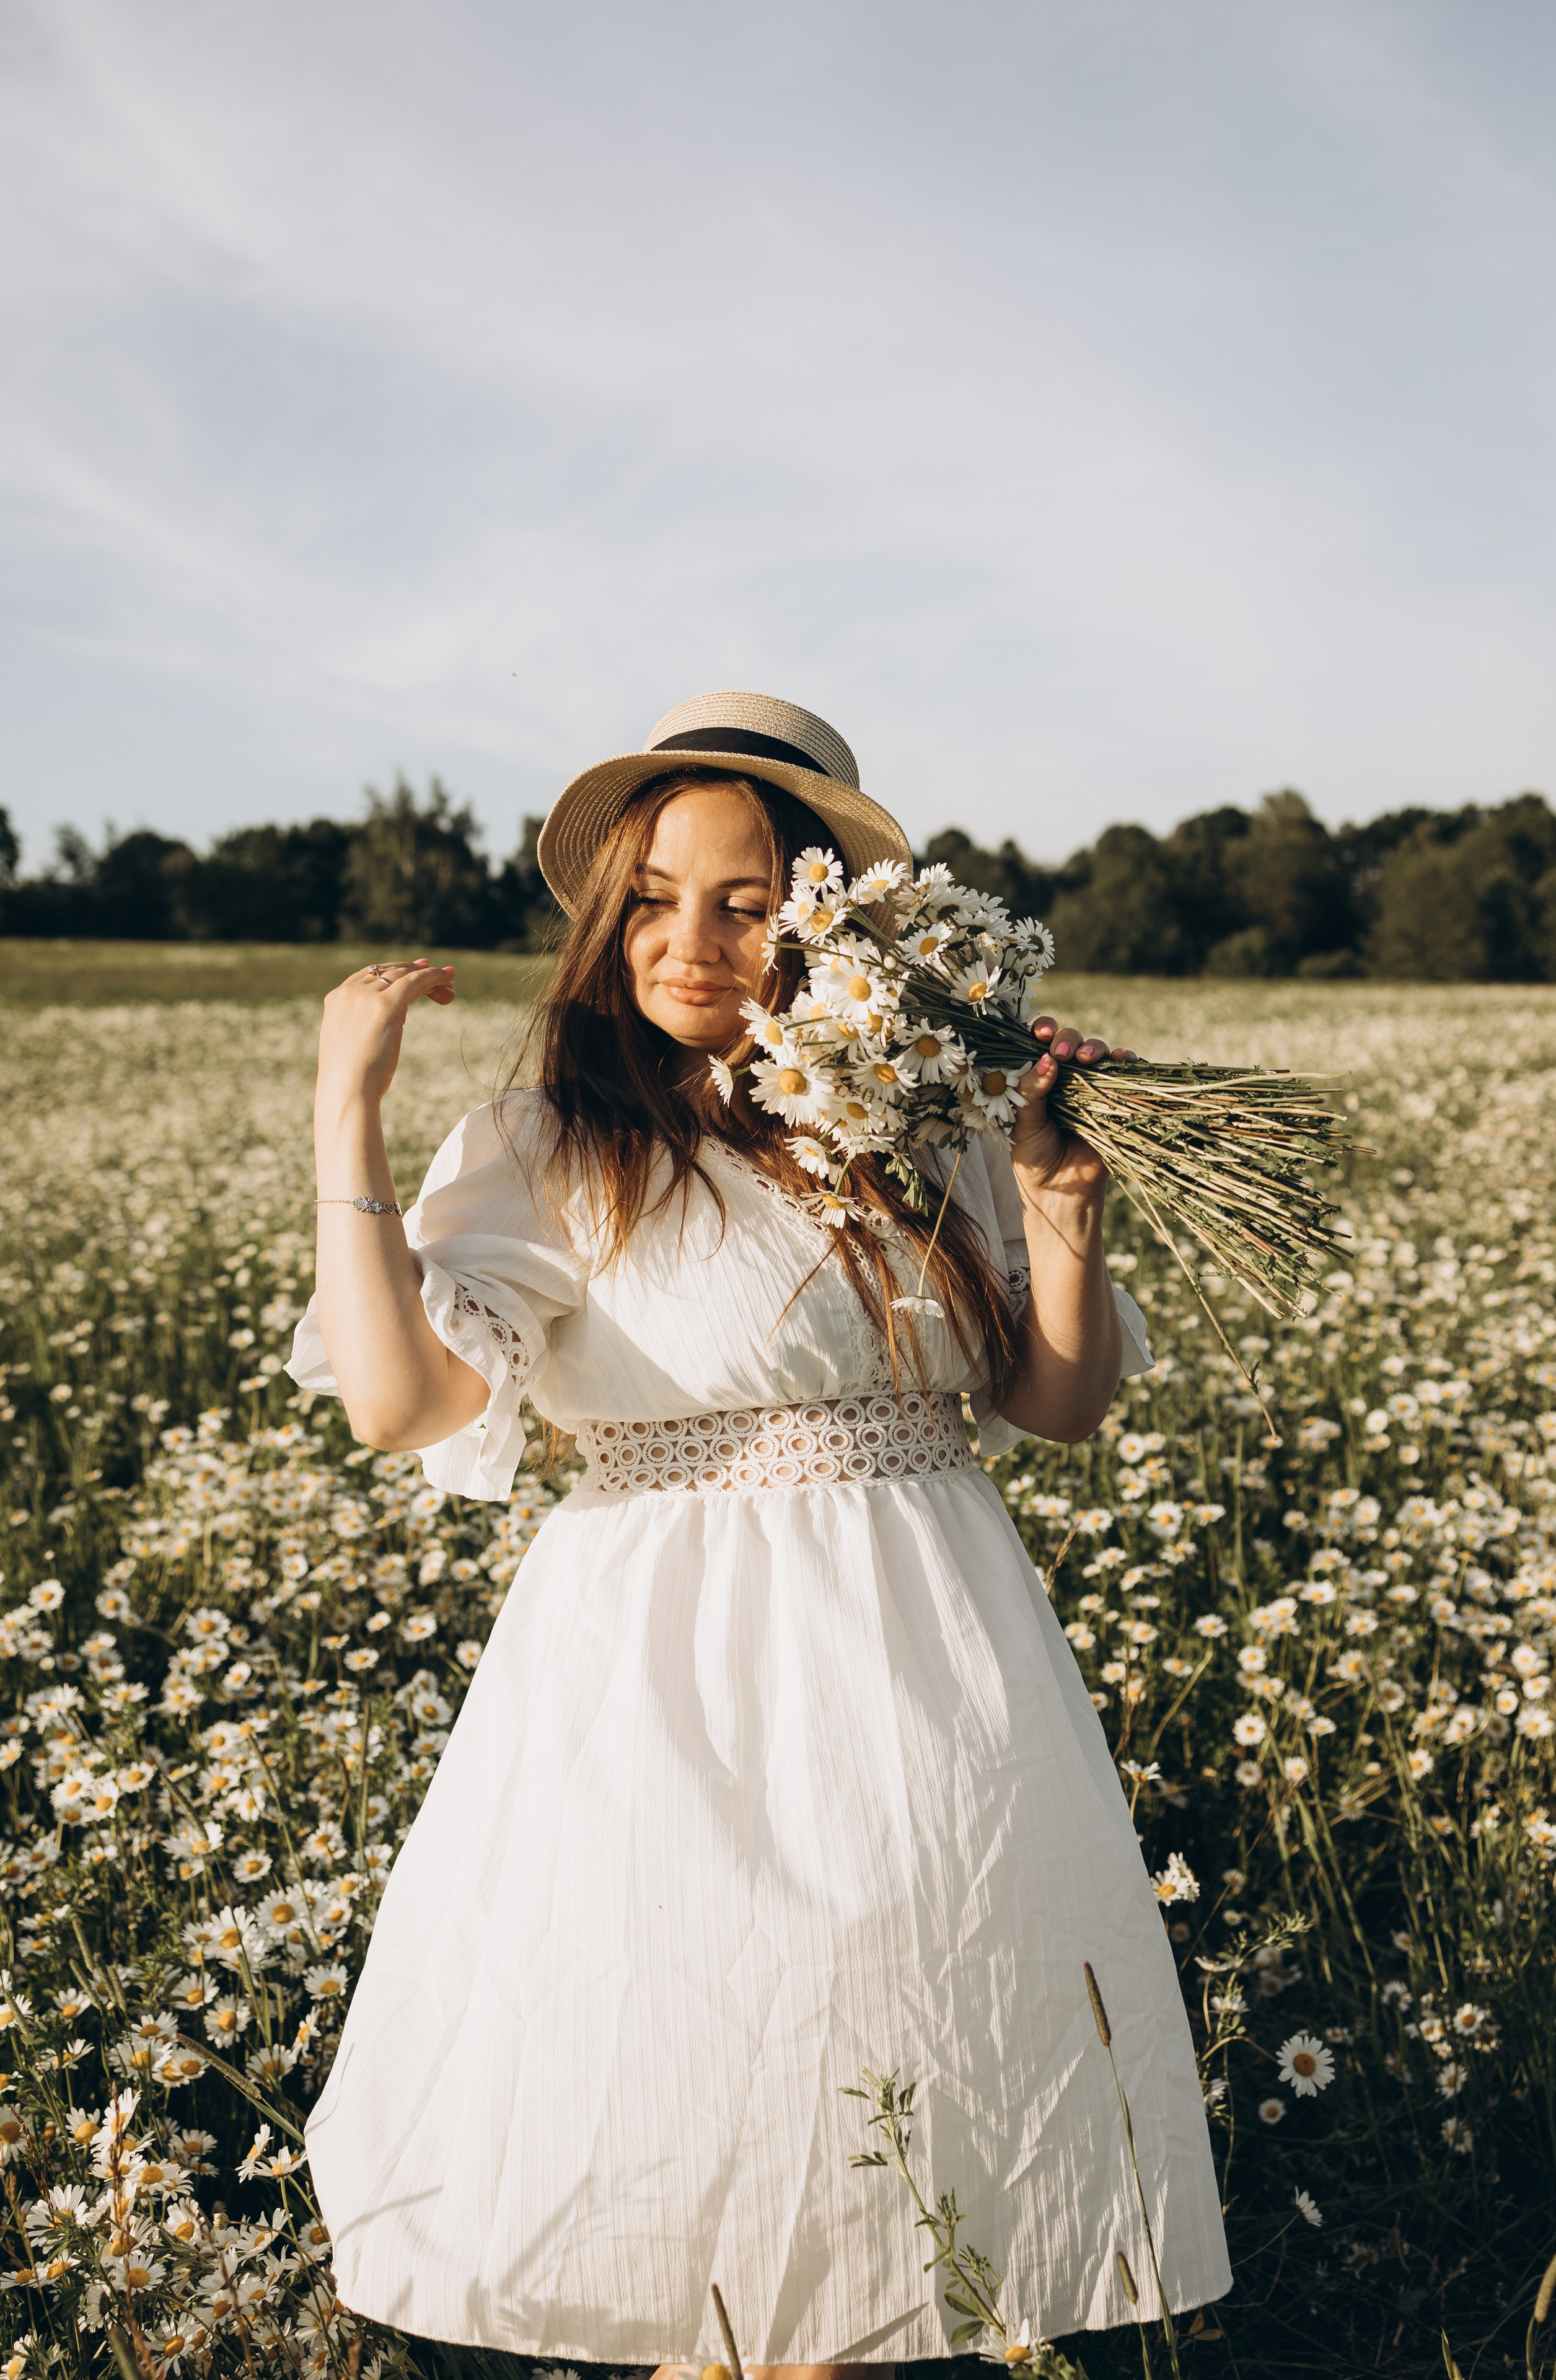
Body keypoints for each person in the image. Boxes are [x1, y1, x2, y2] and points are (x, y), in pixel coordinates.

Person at [288, 692, 1231, 2374]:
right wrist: (344, 1118)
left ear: (828, 923)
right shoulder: (549, 1143)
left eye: (743, 902)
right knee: (702, 2093)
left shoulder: (927, 1122)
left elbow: (1056, 1403)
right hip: (667, 1680)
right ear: (606, 919)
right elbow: (401, 1406)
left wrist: (1063, 1219)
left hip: (925, 1654)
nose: (692, 942)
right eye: (654, 899)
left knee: (892, 2080)